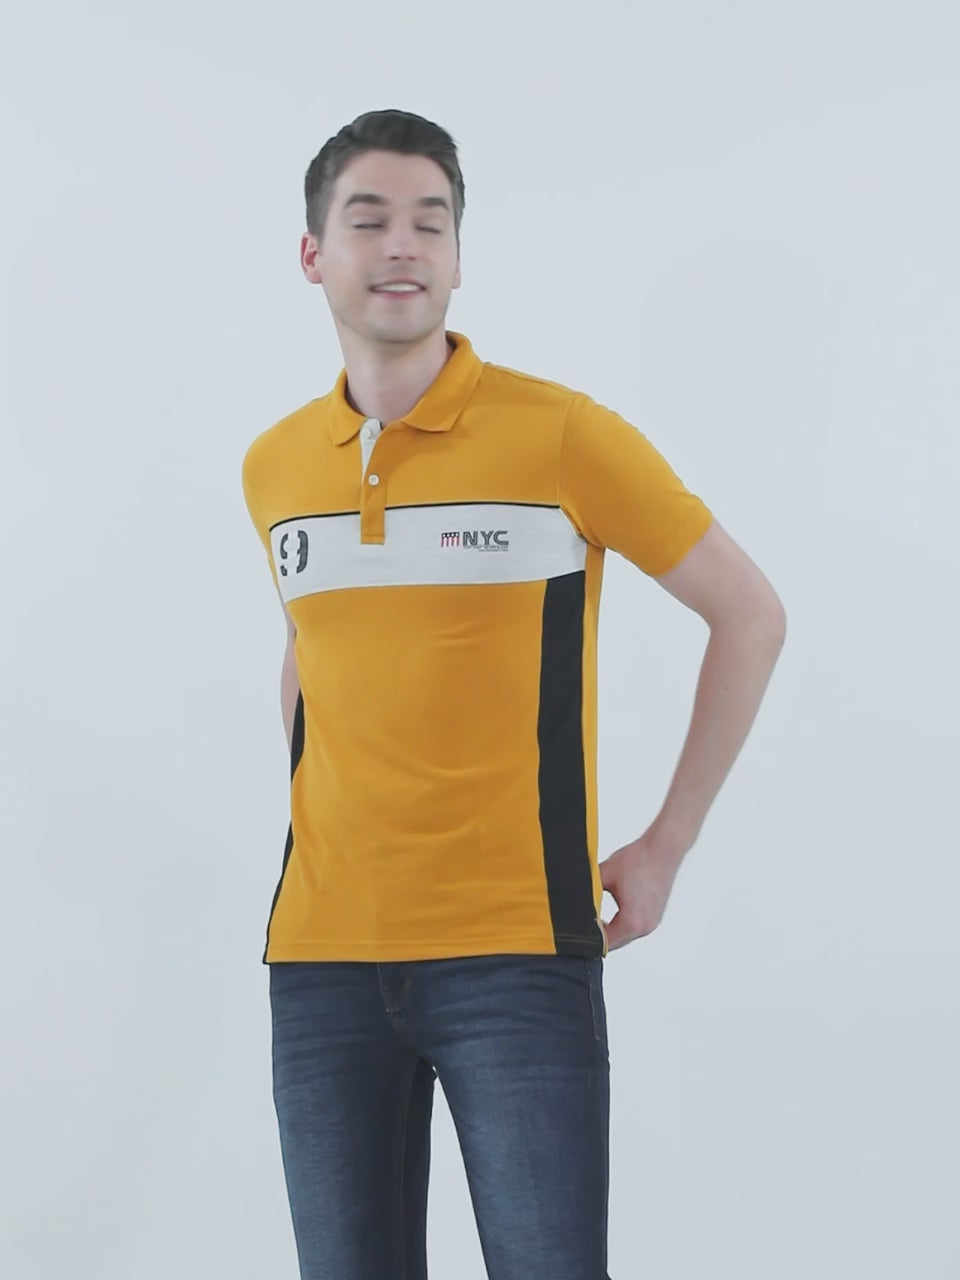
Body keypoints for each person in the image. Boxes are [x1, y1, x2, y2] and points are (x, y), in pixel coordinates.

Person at [241, 108, 786, 1280]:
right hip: (321, 957)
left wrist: (666, 844)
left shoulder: (562, 436)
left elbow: (750, 614)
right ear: (313, 253)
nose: (402, 243)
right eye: (370, 219)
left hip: (516, 953)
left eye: (430, 221)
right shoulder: (275, 465)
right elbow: (310, 649)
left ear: (456, 254)